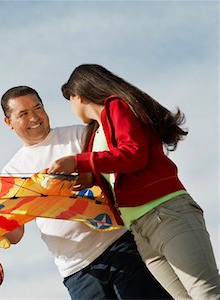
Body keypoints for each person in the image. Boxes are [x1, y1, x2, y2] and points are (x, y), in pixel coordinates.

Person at [0, 85, 171, 299]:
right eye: (23, 114)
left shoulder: (79, 135)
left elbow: (115, 173)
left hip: (121, 244)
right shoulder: (10, 172)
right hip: (76, 270)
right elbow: (16, 234)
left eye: (37, 108)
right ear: (9, 123)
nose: (34, 117)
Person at [49, 64, 220, 299]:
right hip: (139, 229)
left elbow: (134, 154)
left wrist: (79, 161)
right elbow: (107, 172)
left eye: (69, 100)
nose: (70, 107)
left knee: (206, 293)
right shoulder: (94, 135)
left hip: (165, 213)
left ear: (77, 95)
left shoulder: (116, 106)